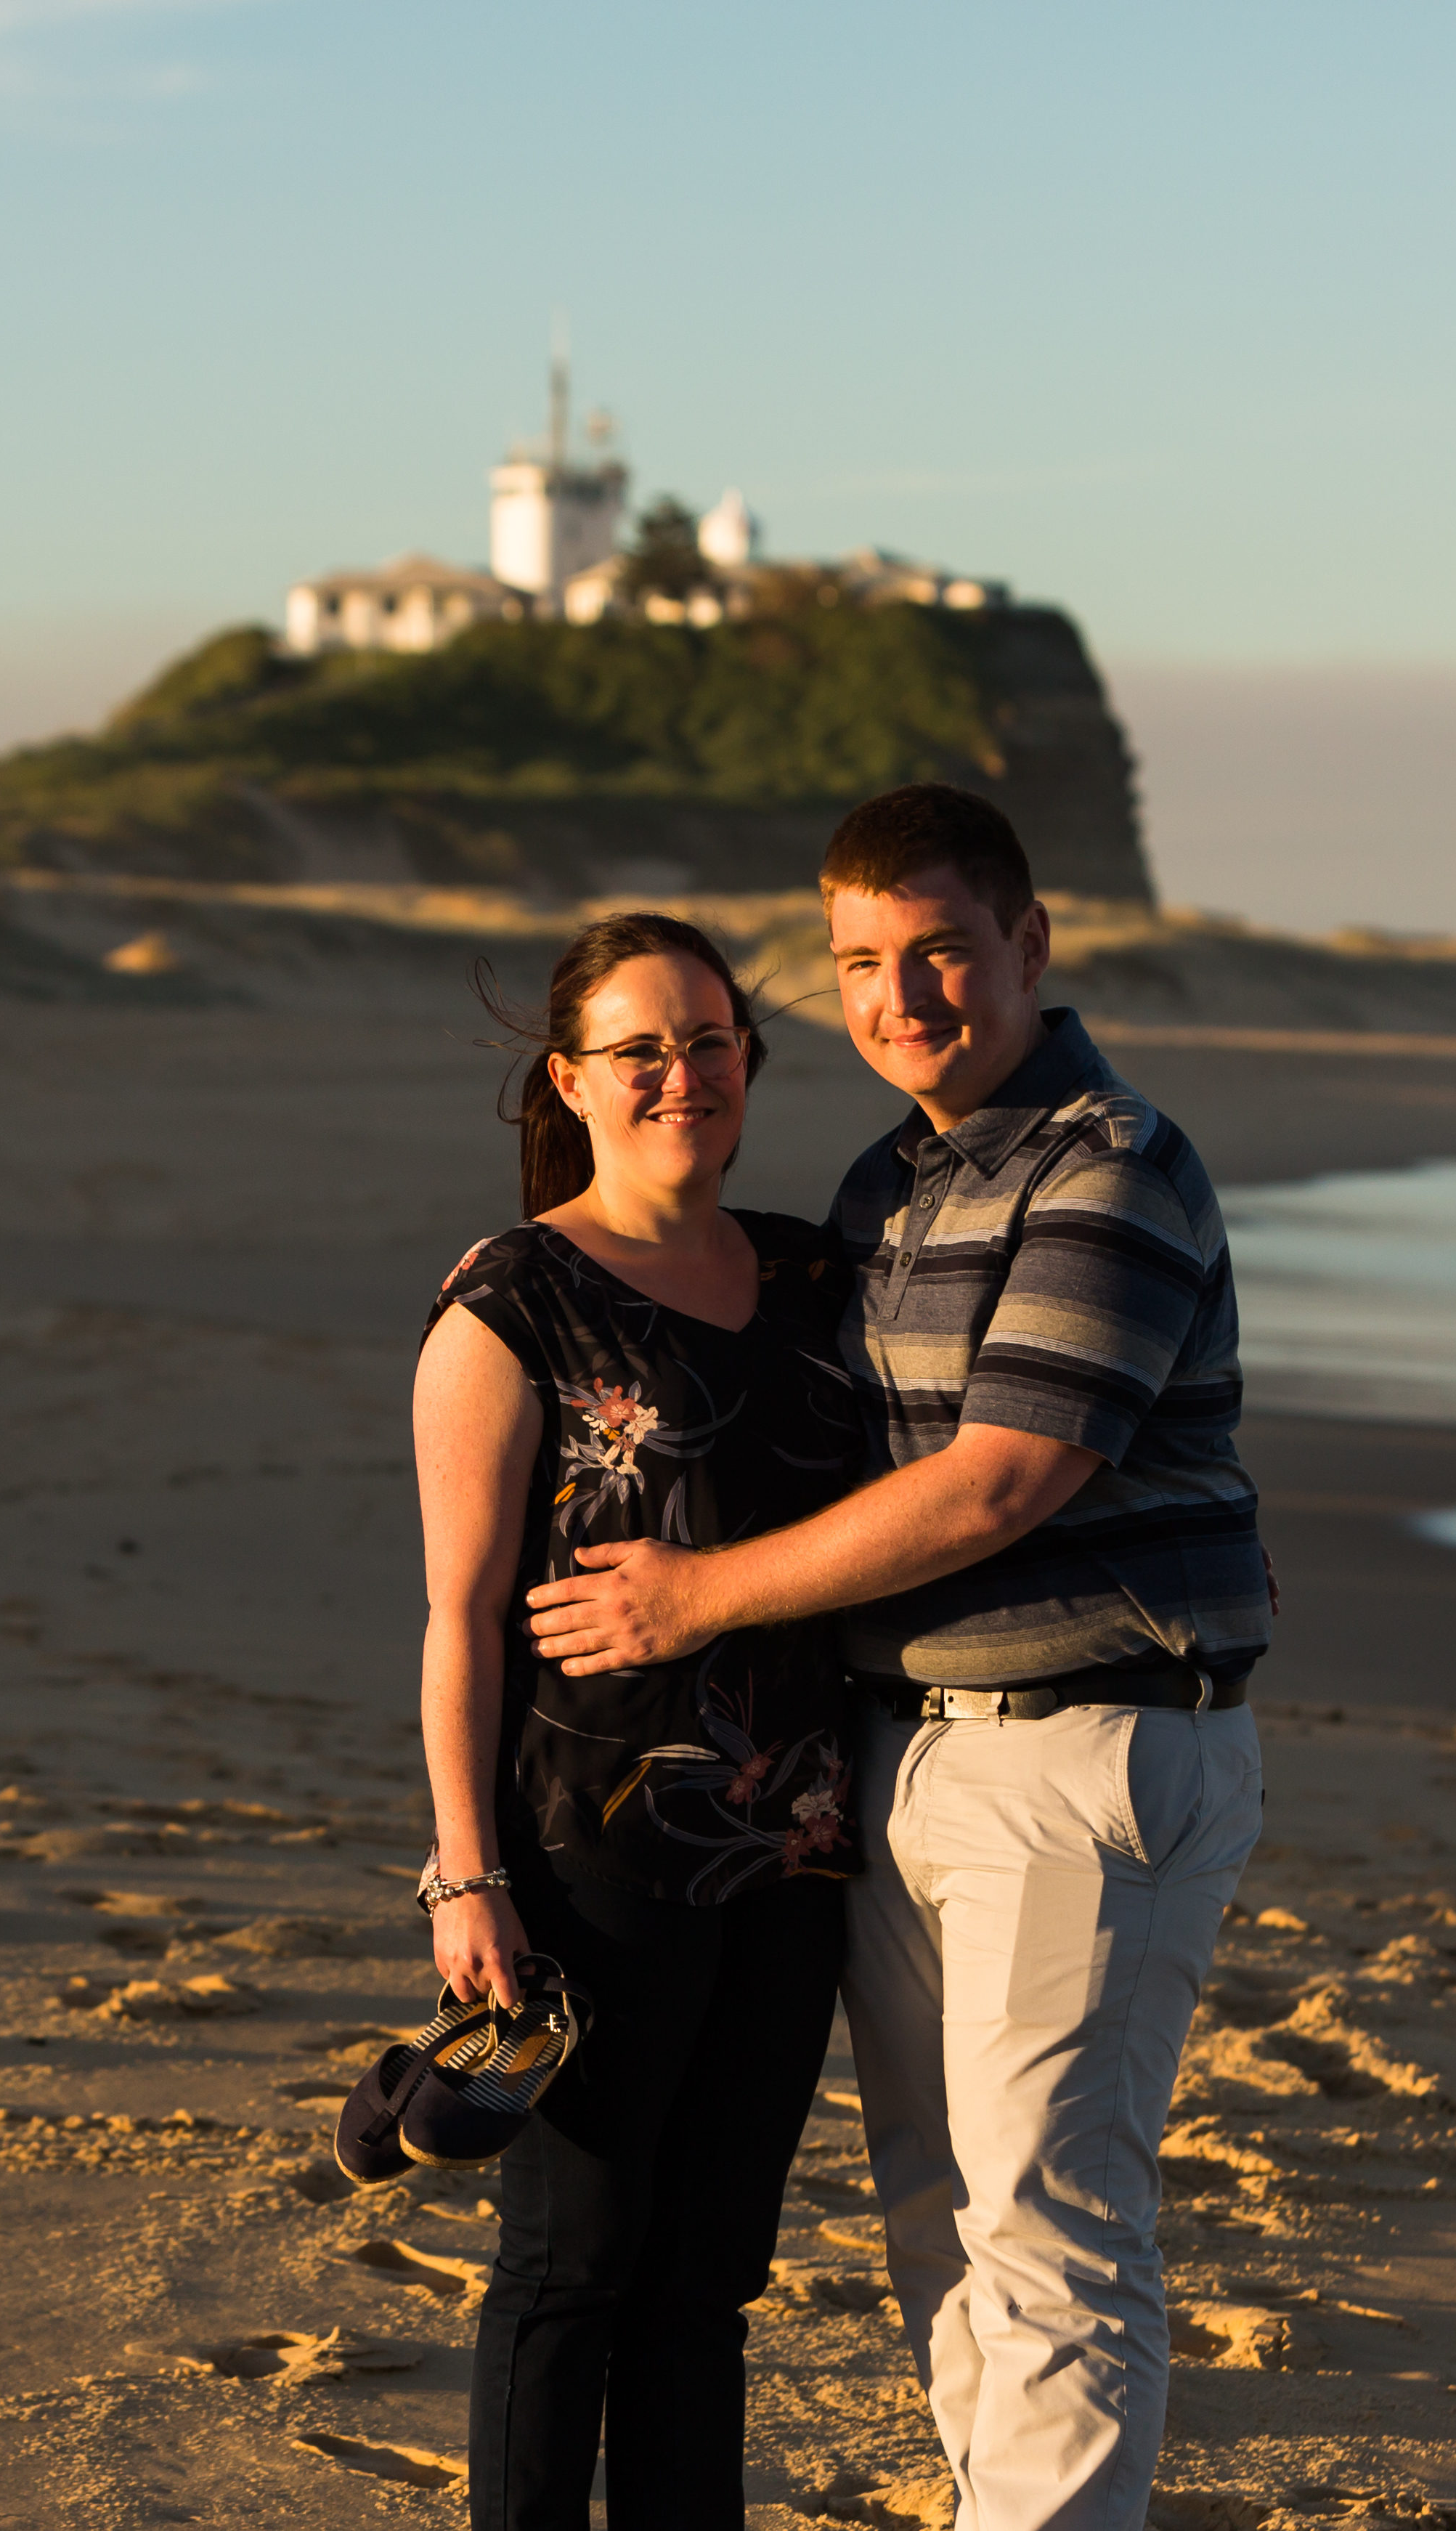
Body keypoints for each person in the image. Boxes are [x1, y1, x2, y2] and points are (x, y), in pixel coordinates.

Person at [524, 786, 1271, 2531]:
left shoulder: (1112, 1160)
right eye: (859, 960)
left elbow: (1003, 1478)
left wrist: (694, 1601)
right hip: (907, 1752)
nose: (899, 994)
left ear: (1027, 943)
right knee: (940, 2212)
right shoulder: (888, 1182)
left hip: (1087, 1751)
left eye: (938, 948)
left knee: (1049, 2215)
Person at [412, 910, 867, 2531]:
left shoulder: (823, 1273)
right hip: (590, 1857)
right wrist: (467, 1881)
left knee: (709, 2276)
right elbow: (461, 1618)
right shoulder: (512, 1297)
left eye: (712, 1040)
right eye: (643, 1049)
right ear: (572, 1080)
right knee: (573, 2264)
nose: (685, 1074)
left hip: (801, 1851)